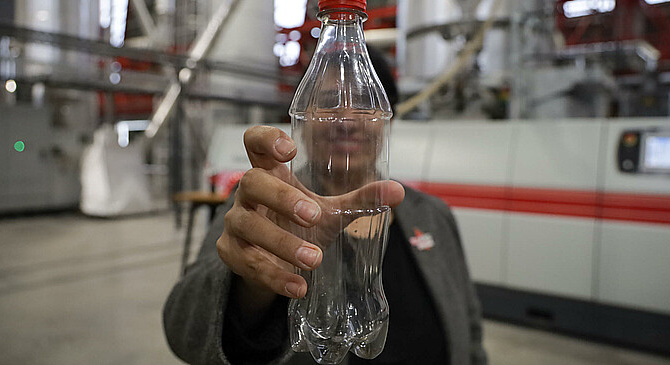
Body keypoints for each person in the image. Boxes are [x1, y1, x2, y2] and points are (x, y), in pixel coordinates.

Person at [163, 46, 487, 365]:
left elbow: (470, 333)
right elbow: (185, 330)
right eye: (329, 103)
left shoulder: (432, 214)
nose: (345, 120)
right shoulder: (264, 205)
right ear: (302, 116)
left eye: (363, 103)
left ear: (388, 119)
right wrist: (253, 284)